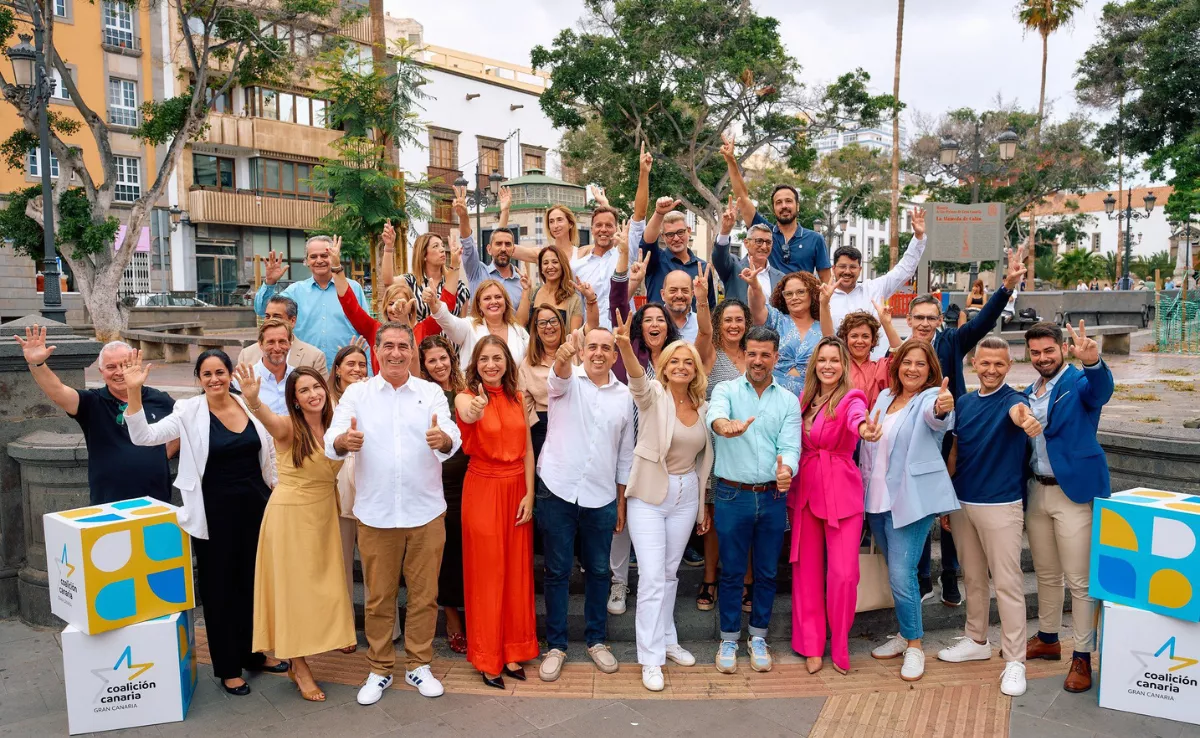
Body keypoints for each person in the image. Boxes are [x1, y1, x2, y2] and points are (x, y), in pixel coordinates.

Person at [123, 349, 282, 695]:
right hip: (214, 513)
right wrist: (134, 392)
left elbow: (268, 453)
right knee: (220, 589)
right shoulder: (188, 410)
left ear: (231, 374)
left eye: (220, 372)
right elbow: (143, 437)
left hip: (257, 507)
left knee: (253, 586)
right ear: (198, 378)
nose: (215, 379)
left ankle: (254, 654)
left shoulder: (247, 404)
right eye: (207, 374)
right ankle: (228, 666)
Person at [325, 322, 461, 705]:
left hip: (426, 512)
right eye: (389, 346)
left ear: (413, 351)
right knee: (378, 598)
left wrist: (444, 440)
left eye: (404, 346)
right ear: (376, 350)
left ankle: (419, 664)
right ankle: (380, 667)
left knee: (424, 596)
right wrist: (342, 441)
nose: (397, 353)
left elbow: (452, 434)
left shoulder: (431, 392)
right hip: (376, 513)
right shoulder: (357, 393)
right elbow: (331, 438)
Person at [906, 246, 1027, 606]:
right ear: (909, 319)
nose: (925, 323)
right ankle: (923, 576)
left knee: (951, 506)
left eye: (931, 317)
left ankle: (950, 575)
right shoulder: (898, 351)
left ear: (939, 319)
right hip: (916, 440)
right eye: (919, 317)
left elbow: (983, 322)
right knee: (920, 509)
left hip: (952, 438)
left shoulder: (952, 342)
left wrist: (1006, 287)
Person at [238, 364, 354, 702]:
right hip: (290, 516)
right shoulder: (288, 427)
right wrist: (254, 402)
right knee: (292, 592)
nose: (313, 394)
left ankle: (333, 635)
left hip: (323, 513)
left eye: (316, 387)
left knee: (327, 583)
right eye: (303, 391)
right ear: (295, 400)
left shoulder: (335, 427)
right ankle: (298, 665)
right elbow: (269, 422)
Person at [937, 335, 1043, 698]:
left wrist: (1027, 421)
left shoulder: (1015, 400)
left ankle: (1015, 660)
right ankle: (976, 639)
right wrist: (947, 501)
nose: (992, 370)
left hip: (1001, 506)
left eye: (1000, 364)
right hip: (963, 503)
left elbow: (1021, 414)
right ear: (974, 364)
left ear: (1010, 366)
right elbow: (954, 455)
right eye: (985, 363)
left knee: (1009, 584)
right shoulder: (964, 404)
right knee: (973, 578)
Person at [615, 314, 712, 691]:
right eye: (674, 361)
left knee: (669, 575)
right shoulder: (653, 394)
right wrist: (625, 345)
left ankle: (668, 639)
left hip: (686, 495)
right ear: (664, 366)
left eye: (688, 361)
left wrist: (701, 505)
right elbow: (638, 382)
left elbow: (704, 461)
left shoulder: (702, 406)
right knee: (653, 578)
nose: (682, 367)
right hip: (651, 496)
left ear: (696, 369)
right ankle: (650, 658)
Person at [536, 327, 634, 682]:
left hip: (602, 496)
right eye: (591, 346)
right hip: (558, 489)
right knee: (557, 572)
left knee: (598, 571)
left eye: (605, 348)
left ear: (614, 355)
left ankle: (596, 640)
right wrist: (563, 355)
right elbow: (556, 378)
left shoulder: (625, 396)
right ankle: (557, 645)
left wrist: (621, 502)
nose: (598, 353)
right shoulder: (568, 380)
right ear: (583, 351)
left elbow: (625, 453)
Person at [1022, 321, 1114, 694]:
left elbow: (1100, 391)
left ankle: (1082, 655)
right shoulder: (1030, 390)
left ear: (1062, 348)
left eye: (1048, 351)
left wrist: (1093, 362)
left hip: (1073, 492)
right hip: (1037, 490)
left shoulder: (1077, 381)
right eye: (1035, 352)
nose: (1042, 358)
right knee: (1046, 573)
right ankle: (1047, 638)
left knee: (1078, 580)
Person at [859, 339, 957, 682]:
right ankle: (904, 634)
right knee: (898, 573)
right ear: (896, 365)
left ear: (931, 370)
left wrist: (944, 407)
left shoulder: (930, 399)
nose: (912, 369)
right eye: (907, 362)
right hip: (876, 500)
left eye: (920, 364)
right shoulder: (884, 397)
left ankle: (915, 645)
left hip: (910, 502)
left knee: (902, 576)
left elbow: (937, 419)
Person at [706, 325, 800, 675]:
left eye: (765, 354)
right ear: (743, 354)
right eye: (752, 353)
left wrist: (787, 469)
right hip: (732, 494)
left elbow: (790, 445)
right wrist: (723, 425)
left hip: (774, 495)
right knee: (730, 572)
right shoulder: (726, 389)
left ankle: (758, 636)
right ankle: (729, 638)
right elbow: (714, 414)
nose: (758, 361)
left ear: (776, 357)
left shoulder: (787, 400)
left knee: (765, 572)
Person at [791, 337, 881, 675]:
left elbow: (856, 418)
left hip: (842, 493)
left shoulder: (851, 397)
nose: (828, 365)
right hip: (805, 492)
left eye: (835, 360)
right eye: (822, 359)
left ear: (844, 366)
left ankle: (839, 642)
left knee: (844, 574)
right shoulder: (804, 399)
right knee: (807, 572)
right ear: (815, 364)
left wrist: (864, 429)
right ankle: (811, 644)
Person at [454, 336, 539, 689]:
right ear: (476, 363)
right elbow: (466, 413)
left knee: (517, 573)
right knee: (487, 576)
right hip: (483, 489)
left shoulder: (519, 398)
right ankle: (488, 657)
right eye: (485, 359)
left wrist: (531, 494)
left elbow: (528, 450)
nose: (492, 364)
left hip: (518, 488)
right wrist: (475, 408)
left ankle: (513, 650)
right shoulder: (466, 396)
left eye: (498, 358)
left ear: (507, 362)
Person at [16, 328, 177, 504]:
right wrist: (37, 364)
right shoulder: (91, 402)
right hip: (109, 501)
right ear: (101, 371)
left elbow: (185, 424)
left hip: (156, 499)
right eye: (111, 367)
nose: (119, 372)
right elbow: (57, 391)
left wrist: (164, 453)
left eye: (124, 365)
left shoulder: (160, 399)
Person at [693, 297, 750, 611]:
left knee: (747, 516)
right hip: (717, 446)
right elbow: (701, 336)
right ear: (718, 323)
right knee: (713, 516)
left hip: (750, 445)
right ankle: (710, 578)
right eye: (727, 319)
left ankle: (747, 580)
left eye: (739, 319)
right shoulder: (710, 354)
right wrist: (702, 300)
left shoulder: (752, 352)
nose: (733, 325)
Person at [417, 335, 472, 655]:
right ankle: (452, 618)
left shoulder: (466, 391)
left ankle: (475, 614)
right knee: (447, 553)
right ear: (423, 366)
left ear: (452, 358)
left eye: (443, 358)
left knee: (470, 551)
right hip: (438, 484)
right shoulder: (423, 396)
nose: (439, 365)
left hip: (472, 479)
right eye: (432, 360)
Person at [722, 131, 831, 281]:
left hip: (799, 303)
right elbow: (743, 197)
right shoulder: (764, 233)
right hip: (766, 303)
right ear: (773, 208)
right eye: (778, 202)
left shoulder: (815, 239)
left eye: (789, 201)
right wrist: (731, 161)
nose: (784, 206)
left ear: (797, 206)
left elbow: (826, 280)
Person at [255, 235, 368, 372]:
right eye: (313, 257)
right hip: (307, 369)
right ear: (306, 261)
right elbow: (261, 309)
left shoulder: (353, 288)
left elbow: (366, 330)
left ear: (333, 257)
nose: (319, 261)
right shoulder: (295, 292)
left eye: (324, 255)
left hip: (345, 369)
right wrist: (269, 282)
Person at [827, 208, 927, 359]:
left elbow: (905, 270)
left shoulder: (874, 288)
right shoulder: (824, 299)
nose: (847, 271)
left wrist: (918, 238)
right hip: (840, 370)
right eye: (842, 266)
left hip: (877, 369)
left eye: (853, 267)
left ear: (860, 269)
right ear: (834, 269)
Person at [328, 342, 376, 653]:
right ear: (337, 370)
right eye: (350, 364)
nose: (357, 369)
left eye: (362, 364)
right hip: (337, 488)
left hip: (372, 487)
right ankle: (343, 631)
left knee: (376, 566)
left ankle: (381, 629)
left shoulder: (375, 399)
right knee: (341, 565)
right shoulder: (327, 402)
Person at [819, 285, 903, 407]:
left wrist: (886, 323)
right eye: (854, 336)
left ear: (873, 341)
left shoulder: (880, 368)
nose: (859, 341)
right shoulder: (839, 363)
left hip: (871, 423)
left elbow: (900, 354)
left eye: (865, 336)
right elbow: (828, 337)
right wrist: (824, 304)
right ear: (845, 338)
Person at [745, 267, 823, 395]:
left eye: (800, 292)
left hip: (812, 396)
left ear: (812, 293)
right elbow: (757, 309)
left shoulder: (823, 327)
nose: (794, 297)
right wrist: (754, 285)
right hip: (774, 394)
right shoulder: (777, 319)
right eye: (788, 294)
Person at [430, 278, 530, 371]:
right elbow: (448, 321)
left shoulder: (518, 330)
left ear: (506, 302)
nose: (494, 301)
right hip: (474, 388)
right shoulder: (469, 326)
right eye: (487, 298)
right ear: (479, 305)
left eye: (498, 297)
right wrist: (435, 305)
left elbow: (534, 356)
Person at [396, 225, 471, 341]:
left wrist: (455, 264)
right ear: (423, 255)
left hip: (450, 352)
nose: (442, 249)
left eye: (442, 245)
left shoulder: (460, 287)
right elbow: (387, 281)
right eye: (436, 246)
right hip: (421, 345)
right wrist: (389, 248)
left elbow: (462, 324)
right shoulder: (410, 282)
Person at [710, 197, 785, 304]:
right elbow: (719, 257)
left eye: (768, 242)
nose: (764, 246)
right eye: (759, 241)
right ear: (746, 243)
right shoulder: (733, 268)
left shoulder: (781, 278)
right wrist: (725, 231)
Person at [519, 305, 567, 470]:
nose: (549, 326)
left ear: (561, 325)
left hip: (572, 422)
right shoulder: (527, 363)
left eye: (553, 321)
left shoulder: (573, 355)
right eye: (542, 323)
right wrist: (540, 426)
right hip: (541, 426)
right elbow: (524, 400)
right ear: (536, 330)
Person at [239, 295, 327, 377]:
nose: (270, 321)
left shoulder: (314, 357)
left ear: (292, 321)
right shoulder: (247, 355)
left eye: (277, 317)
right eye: (267, 316)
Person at [234, 319, 295, 415]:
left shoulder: (299, 378)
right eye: (271, 342)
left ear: (290, 343)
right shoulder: (242, 382)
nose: (277, 348)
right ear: (260, 345)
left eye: (282, 342)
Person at [517, 246, 585, 332]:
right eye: (545, 263)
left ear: (562, 265)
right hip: (533, 345)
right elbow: (520, 324)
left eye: (555, 262)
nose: (550, 266)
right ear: (541, 269)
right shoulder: (533, 293)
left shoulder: (573, 299)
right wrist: (526, 291)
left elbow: (573, 336)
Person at [660, 269, 703, 342]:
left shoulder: (701, 324)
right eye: (673, 290)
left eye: (685, 291)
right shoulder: (651, 324)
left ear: (692, 294)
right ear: (663, 295)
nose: (679, 295)